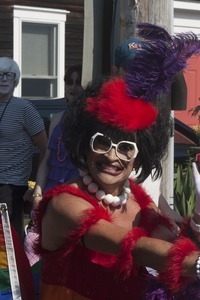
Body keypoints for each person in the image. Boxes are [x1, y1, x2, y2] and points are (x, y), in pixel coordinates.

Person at [34, 24, 200, 299]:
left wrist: (197, 219)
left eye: (125, 148)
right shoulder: (65, 203)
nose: (112, 156)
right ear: (84, 145)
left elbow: (176, 243)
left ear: (138, 156)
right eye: (101, 143)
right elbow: (131, 245)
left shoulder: (136, 199)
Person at [112, 35, 184, 227]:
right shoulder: (107, 118)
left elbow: (148, 182)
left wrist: (169, 213)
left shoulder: (153, 116)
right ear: (116, 72)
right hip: (122, 225)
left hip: (148, 222)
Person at [0, 57, 47, 241]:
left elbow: (45, 149)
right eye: (0, 74)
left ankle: (15, 271)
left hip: (11, 187)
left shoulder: (25, 108)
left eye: (8, 75)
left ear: (15, 80)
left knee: (7, 241)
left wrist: (34, 187)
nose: (3, 79)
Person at [32, 64, 83, 209]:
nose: (72, 87)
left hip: (76, 194)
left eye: (78, 83)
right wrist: (37, 192)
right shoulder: (56, 119)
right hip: (51, 191)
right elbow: (47, 159)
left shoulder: (91, 121)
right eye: (69, 82)